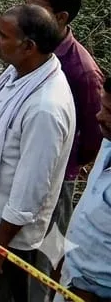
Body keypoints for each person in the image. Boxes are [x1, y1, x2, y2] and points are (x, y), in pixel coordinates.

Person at [0, 3, 75, 302]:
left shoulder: (45, 108)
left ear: (28, 47)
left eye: (3, 35)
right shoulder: (17, 73)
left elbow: (31, 187)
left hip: (5, 236)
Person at [25, 0, 106, 301]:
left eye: (36, 9)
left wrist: (63, 162)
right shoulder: (32, 49)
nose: (26, 15)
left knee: (45, 259)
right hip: (29, 172)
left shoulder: (82, 71)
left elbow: (94, 137)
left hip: (58, 181)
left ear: (61, 17)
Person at [58, 81, 111, 302]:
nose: (99, 116)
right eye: (103, 107)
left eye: (110, 112)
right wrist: (64, 261)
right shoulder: (107, 144)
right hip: (72, 279)